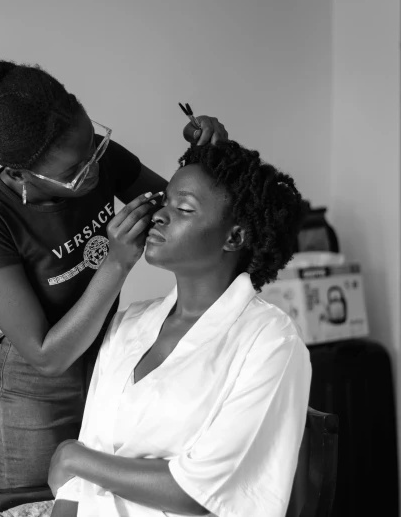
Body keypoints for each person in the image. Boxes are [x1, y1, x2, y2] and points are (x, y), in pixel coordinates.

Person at [0, 59, 229, 489]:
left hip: (110, 361)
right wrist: (116, 263)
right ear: (20, 172)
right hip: (36, 390)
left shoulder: (95, 159)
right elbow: (48, 356)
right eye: (75, 171)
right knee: (41, 508)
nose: (96, 168)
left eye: (95, 147)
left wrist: (209, 158)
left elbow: (184, 218)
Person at [47, 139, 311, 517]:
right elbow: (75, 489)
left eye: (184, 208)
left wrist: (74, 457)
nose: (159, 216)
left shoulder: (270, 342)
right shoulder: (129, 324)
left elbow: (200, 493)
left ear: (234, 237)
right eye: (165, 202)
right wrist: (77, 466)